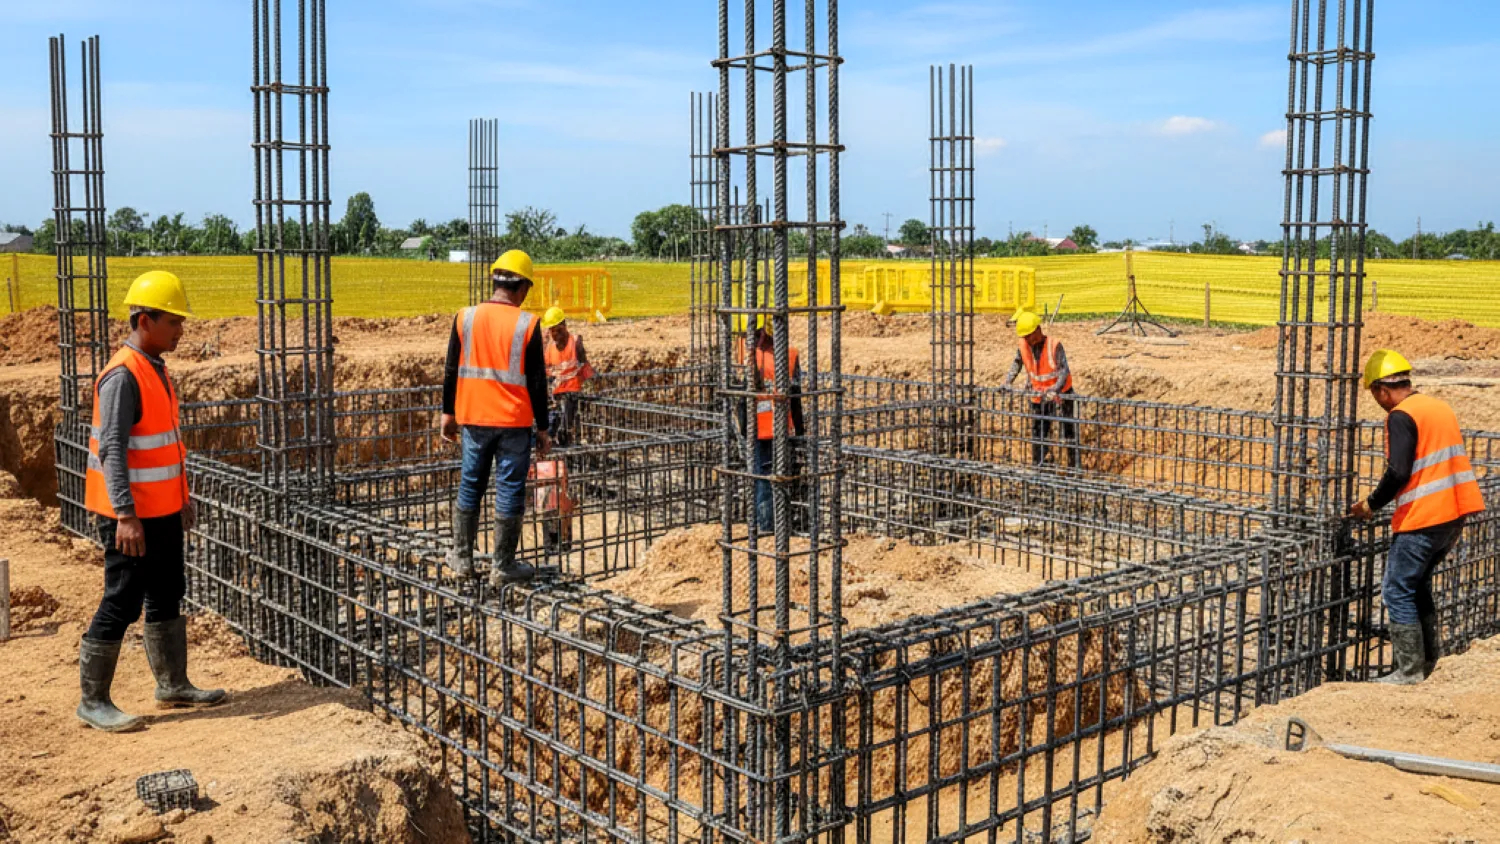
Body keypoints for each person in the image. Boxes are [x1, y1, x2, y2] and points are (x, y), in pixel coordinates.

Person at [79, 271, 226, 733]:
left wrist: (181, 498)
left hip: (160, 511)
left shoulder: (156, 368)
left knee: (167, 591)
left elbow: (164, 446)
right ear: (145, 320)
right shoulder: (124, 375)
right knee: (122, 600)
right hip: (132, 516)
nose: (181, 331)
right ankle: (93, 700)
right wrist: (124, 514)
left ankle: (172, 684)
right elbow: (113, 450)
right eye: (173, 322)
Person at [1349, 349, 1485, 684]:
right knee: (1417, 585)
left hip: (1424, 516)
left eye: (1375, 395)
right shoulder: (1438, 407)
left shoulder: (1401, 415)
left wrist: (1370, 504)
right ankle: (1427, 662)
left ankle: (1409, 672)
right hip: (1454, 513)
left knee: (1396, 589)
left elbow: (1398, 471)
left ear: (1382, 390)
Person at [440, 250, 552, 587]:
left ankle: (462, 558)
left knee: (471, 483)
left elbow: (450, 370)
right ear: (523, 288)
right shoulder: (528, 324)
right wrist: (543, 428)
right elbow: (537, 381)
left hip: (473, 417)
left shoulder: (465, 317)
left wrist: (448, 413)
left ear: (495, 281)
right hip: (514, 423)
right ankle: (502, 566)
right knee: (509, 488)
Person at [736, 315, 805, 532]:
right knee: (772, 479)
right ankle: (769, 527)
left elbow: (794, 395)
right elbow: (795, 396)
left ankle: (767, 528)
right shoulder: (787, 354)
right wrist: (800, 432)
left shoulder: (745, 351)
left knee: (764, 479)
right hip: (768, 427)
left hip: (762, 427)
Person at [1005, 310, 1080, 469]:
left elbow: (1063, 371)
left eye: (1030, 336)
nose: (1029, 340)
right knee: (1039, 432)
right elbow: (1017, 363)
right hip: (1039, 396)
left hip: (1062, 394)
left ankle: (1073, 467)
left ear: (1038, 330)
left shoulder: (1054, 345)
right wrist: (1008, 382)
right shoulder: (1024, 345)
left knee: (1068, 431)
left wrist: (1055, 389)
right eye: (1025, 337)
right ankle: (1039, 466)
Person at [541, 306, 595, 448]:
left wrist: (591, 386)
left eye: (558, 330)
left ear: (564, 326)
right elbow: (545, 371)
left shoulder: (575, 342)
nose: (555, 334)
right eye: (552, 330)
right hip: (557, 396)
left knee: (567, 427)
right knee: (554, 427)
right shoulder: (549, 349)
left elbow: (585, 366)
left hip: (573, 395)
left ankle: (568, 443)